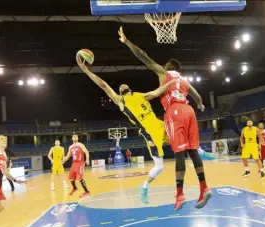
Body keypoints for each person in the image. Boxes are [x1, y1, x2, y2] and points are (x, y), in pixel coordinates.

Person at [118, 26, 212, 211]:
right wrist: (200, 106)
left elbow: (143, 57)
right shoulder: (184, 81)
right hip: (190, 111)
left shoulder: (164, 74)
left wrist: (127, 42)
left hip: (174, 112)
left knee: (179, 153)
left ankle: (179, 195)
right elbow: (198, 98)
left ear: (170, 67)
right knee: (192, 151)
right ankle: (204, 187)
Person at [77, 54, 176, 204]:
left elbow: (156, 92)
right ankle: (144, 187)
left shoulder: (140, 95)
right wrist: (86, 71)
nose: (121, 85)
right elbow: (103, 84)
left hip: (159, 124)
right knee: (160, 166)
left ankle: (199, 153)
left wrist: (171, 83)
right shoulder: (121, 101)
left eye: (123, 85)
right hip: (149, 132)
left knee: (181, 136)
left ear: (129, 87)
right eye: (119, 86)